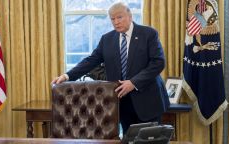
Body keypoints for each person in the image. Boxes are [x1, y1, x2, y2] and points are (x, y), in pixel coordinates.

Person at [51, 2, 170, 134]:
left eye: (119, 17)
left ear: (130, 16)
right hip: (122, 101)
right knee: (127, 138)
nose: (116, 22)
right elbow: (90, 61)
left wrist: (133, 82)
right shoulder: (107, 39)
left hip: (148, 100)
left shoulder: (148, 34)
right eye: (112, 19)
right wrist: (67, 76)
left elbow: (158, 62)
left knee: (150, 141)